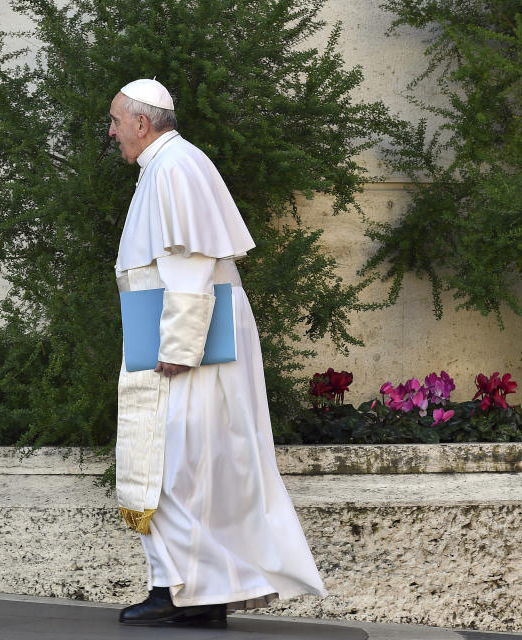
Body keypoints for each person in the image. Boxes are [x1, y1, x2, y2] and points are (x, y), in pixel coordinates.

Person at [108, 79, 328, 627]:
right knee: (188, 464)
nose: (111, 132)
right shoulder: (166, 165)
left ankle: (186, 592)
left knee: (179, 462)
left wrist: (179, 348)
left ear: (141, 122)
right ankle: (190, 591)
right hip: (178, 335)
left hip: (189, 342)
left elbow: (191, 265)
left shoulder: (175, 166)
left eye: (115, 121)